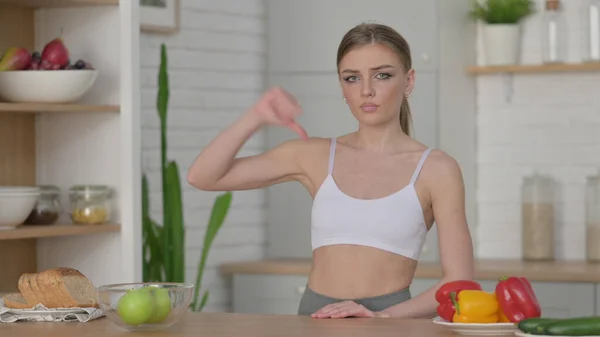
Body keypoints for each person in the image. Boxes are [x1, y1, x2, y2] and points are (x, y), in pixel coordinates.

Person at [187, 22, 475, 319]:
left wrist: (380, 317)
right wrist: (256, 116)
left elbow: (460, 283)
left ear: (409, 81)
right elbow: (203, 176)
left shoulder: (437, 169)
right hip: (314, 318)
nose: (366, 90)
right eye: (352, 78)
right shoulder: (314, 155)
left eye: (382, 75)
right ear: (342, 87)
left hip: (390, 322)